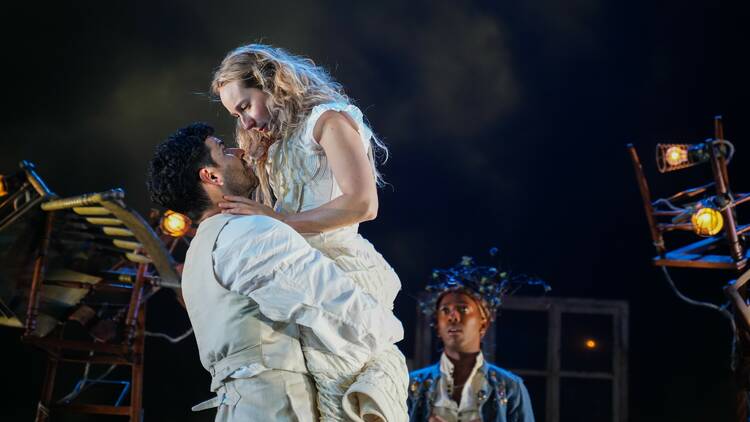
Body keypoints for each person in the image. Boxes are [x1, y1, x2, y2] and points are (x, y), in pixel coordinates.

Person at [146, 123, 404, 422]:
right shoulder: (249, 231)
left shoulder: (196, 256)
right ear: (211, 175)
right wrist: (389, 337)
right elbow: (332, 303)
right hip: (278, 407)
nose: (238, 151)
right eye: (223, 149)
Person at [210, 44, 408, 421]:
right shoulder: (277, 141)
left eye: (245, 105)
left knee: (343, 402)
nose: (246, 121)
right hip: (299, 276)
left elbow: (363, 204)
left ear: (272, 84)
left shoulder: (329, 120)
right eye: (237, 114)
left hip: (341, 275)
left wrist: (276, 221)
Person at [408, 256, 537, 422]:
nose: (452, 317)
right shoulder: (410, 386)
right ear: (437, 328)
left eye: (463, 308)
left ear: (483, 323)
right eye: (445, 310)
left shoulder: (511, 388)